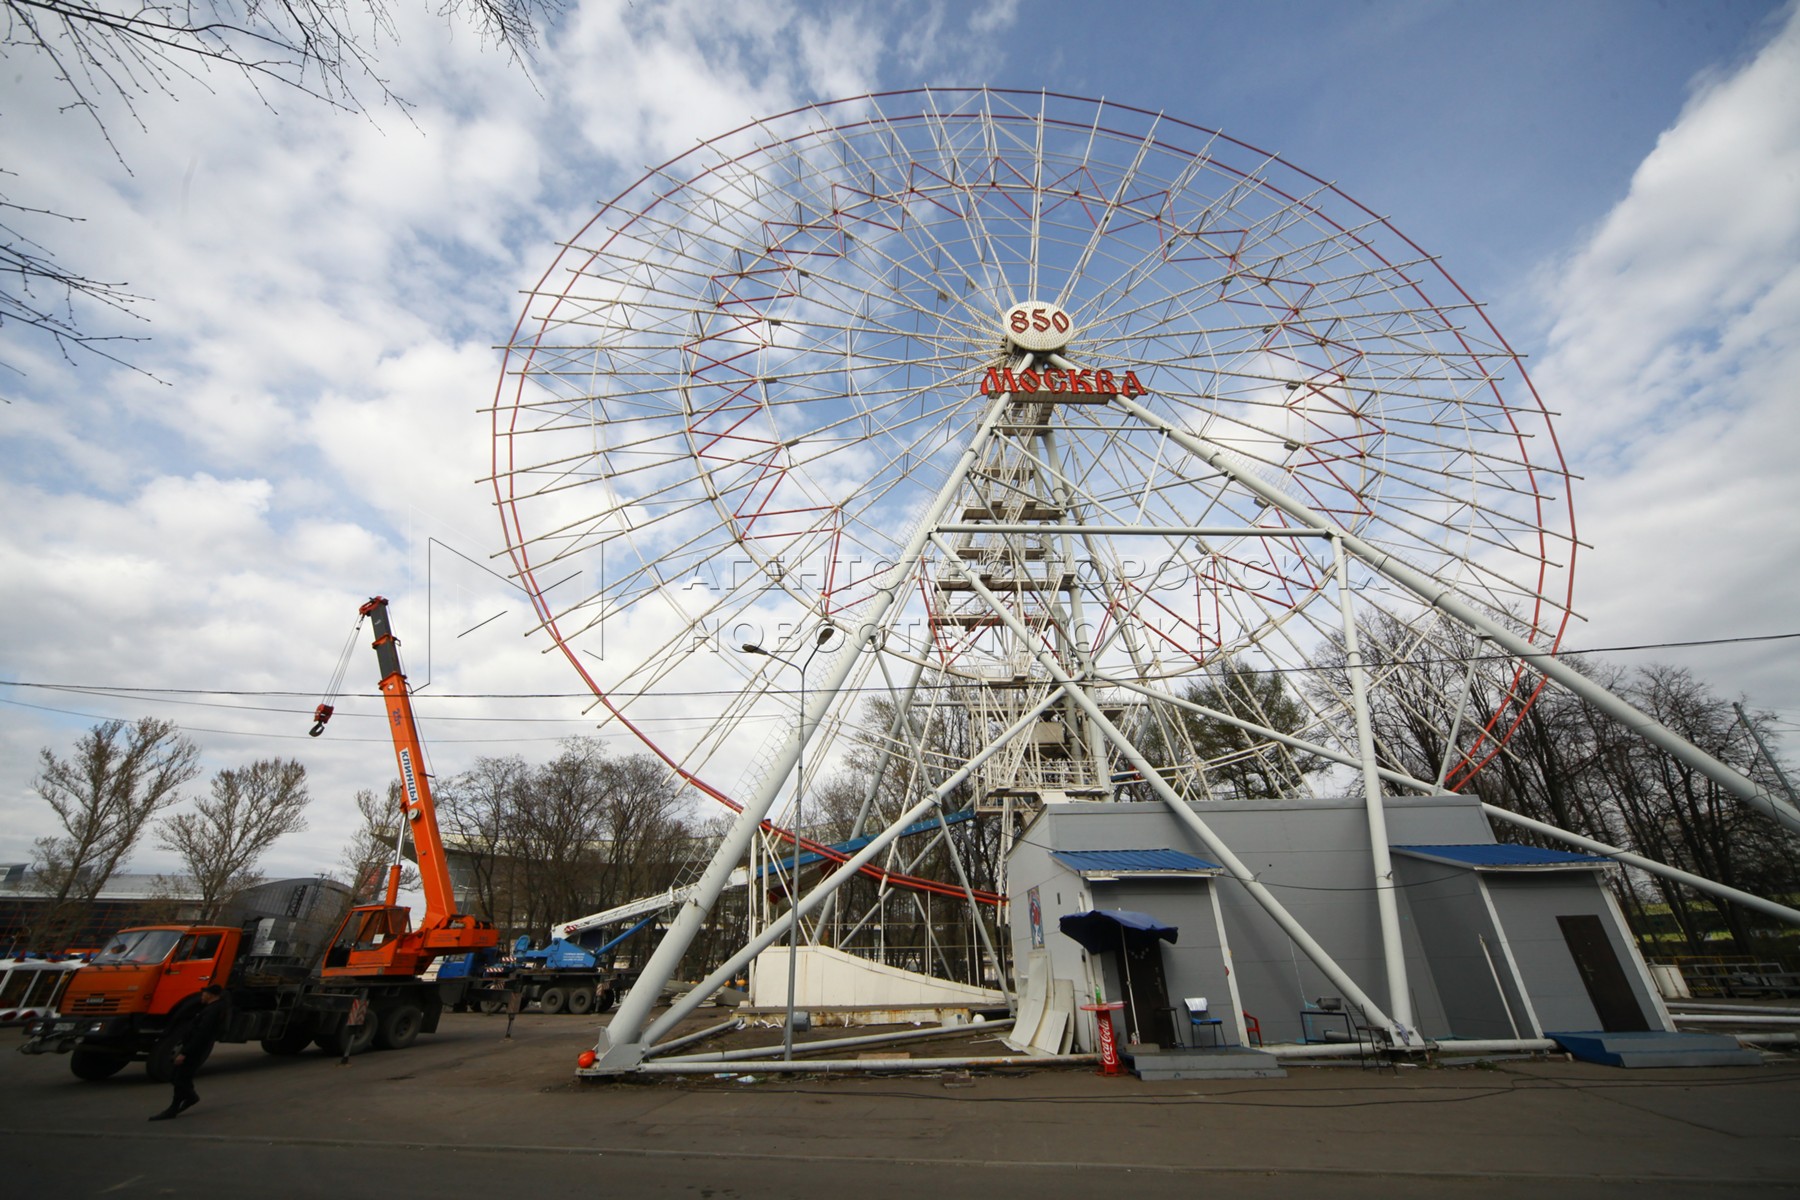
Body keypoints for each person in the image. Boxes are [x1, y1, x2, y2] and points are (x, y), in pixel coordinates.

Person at [150, 984, 229, 1121]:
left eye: (204, 993)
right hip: (195, 1047)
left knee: (180, 1077)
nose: (202, 996)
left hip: (195, 1049)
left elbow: (201, 1033)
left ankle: (177, 1106)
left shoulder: (213, 1011)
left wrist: (184, 1053)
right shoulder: (212, 1008)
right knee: (179, 1076)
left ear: (211, 995)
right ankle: (188, 1098)